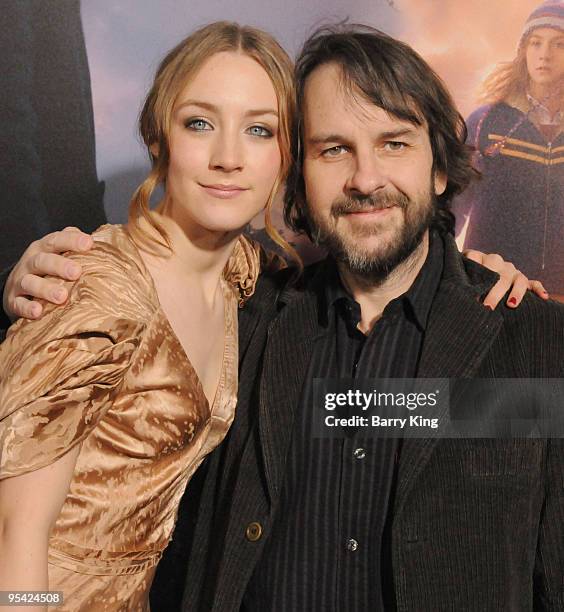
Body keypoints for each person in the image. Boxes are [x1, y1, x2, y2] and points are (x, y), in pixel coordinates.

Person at [0, 23, 556, 612]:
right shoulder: (258, 309)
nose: (366, 179)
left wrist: (476, 282)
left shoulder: (524, 335)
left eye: (394, 143)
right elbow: (17, 536)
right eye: (333, 149)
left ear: (440, 168)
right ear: (301, 176)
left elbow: (377, 415)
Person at [0, 21, 297, 611]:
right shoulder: (97, 287)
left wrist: (482, 272)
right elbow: (15, 534)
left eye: (259, 130)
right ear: (159, 136)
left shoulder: (246, 275)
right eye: (200, 124)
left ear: (285, 157)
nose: (228, 158)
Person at [455, 0, 564, 300]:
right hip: (492, 291)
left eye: (559, 44)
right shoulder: (485, 122)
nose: (545, 54)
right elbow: (450, 210)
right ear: (523, 52)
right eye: (535, 43)